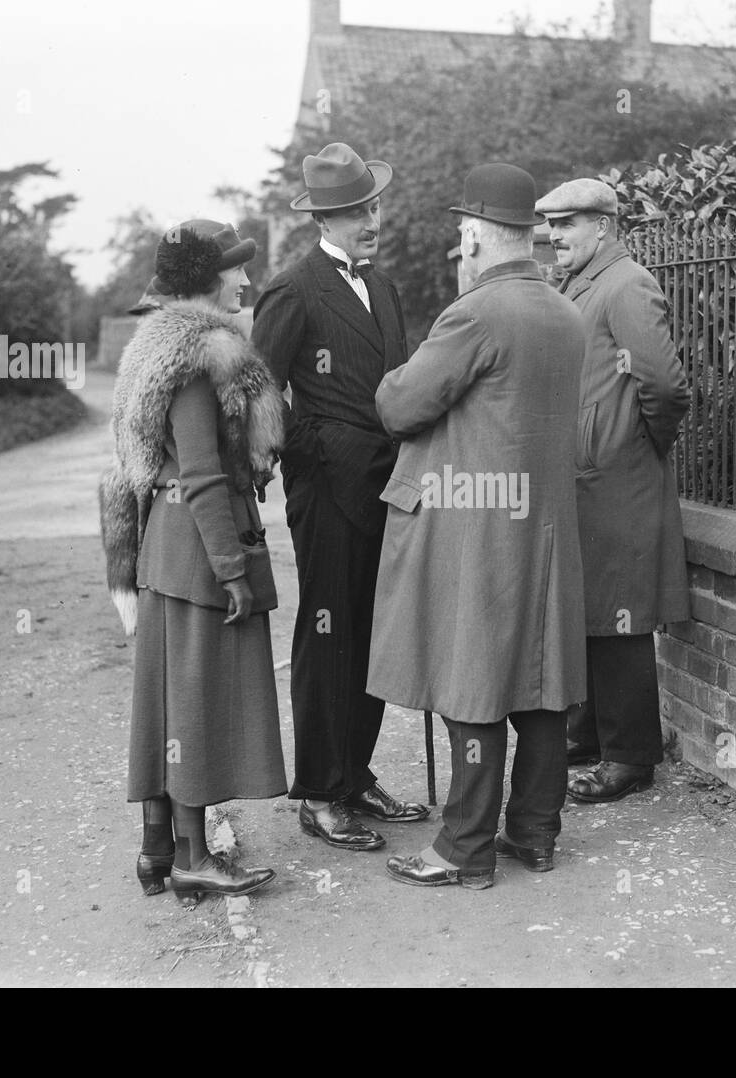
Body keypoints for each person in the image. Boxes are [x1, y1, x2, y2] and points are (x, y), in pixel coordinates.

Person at [368, 163, 588, 890]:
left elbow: (402, 406)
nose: (458, 255)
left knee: (474, 682)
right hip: (545, 526)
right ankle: (535, 832)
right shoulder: (562, 310)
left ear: (473, 237)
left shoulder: (476, 314)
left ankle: (463, 848)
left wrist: (388, 377)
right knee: (543, 679)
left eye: (461, 242)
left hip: (478, 529)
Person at [99, 219, 287, 905]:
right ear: (209, 279)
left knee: (166, 696)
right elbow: (203, 475)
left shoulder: (150, 348)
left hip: (161, 552)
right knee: (197, 704)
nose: (246, 281)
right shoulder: (202, 357)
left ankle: (157, 849)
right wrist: (233, 568)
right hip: (200, 554)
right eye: (236, 269)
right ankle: (195, 859)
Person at [251, 143, 427, 853]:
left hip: (385, 483)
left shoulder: (382, 289)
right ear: (327, 217)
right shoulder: (294, 288)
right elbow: (256, 389)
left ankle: (355, 775)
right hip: (326, 486)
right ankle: (320, 792)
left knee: (372, 630)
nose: (372, 219)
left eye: (375, 205)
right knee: (327, 637)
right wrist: (299, 447)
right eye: (358, 210)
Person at [535, 178, 693, 804]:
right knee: (592, 610)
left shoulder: (628, 283)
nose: (555, 235)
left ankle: (630, 756)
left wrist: (634, 441)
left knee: (622, 615)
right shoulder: (578, 284)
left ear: (603, 226)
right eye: (551, 225)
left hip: (618, 475)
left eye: (568, 223)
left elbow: (665, 384)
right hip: (584, 475)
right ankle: (591, 736)